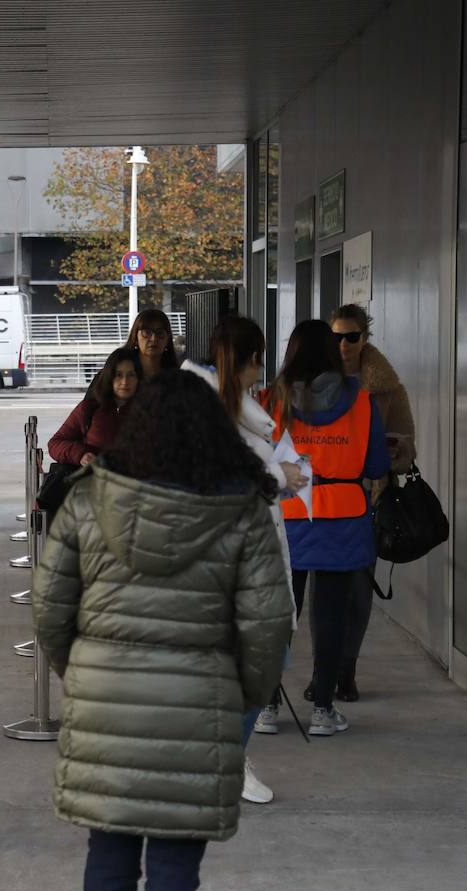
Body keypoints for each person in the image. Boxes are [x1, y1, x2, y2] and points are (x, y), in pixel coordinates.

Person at [33, 368, 292, 891]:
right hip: (198, 708)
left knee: (109, 855)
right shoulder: (244, 511)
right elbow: (268, 625)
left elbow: (51, 611)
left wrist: (81, 674)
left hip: (105, 704)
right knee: (176, 870)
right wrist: (240, 697)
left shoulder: (87, 500)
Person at [181, 315, 308, 805]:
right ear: (253, 358)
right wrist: (280, 477)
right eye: (259, 359)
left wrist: (284, 477)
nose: (261, 368)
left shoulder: (235, 408)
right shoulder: (205, 408)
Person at [262, 320, 390, 736]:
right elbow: (376, 466)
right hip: (343, 517)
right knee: (332, 615)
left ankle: (267, 707)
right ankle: (322, 709)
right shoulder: (363, 402)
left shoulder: (272, 400)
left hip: (289, 514)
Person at [323, 303, 416, 701]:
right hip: (323, 499)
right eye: (336, 337)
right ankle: (323, 672)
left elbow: (407, 446)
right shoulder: (313, 383)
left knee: (359, 592)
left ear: (364, 339)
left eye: (352, 337)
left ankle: (347, 670)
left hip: (368, 499)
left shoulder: (387, 389)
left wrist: (389, 450)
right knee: (324, 593)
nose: (343, 344)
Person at [48, 348, 141, 468]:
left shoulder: (150, 411)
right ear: (109, 377)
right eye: (118, 375)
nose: (124, 382)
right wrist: (80, 454)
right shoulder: (89, 408)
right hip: (95, 477)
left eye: (131, 375)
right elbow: (55, 444)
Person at [122, 308, 179, 380]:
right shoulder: (121, 373)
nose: (153, 339)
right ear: (135, 338)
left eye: (160, 333)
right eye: (146, 332)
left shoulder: (178, 378)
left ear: (167, 339)